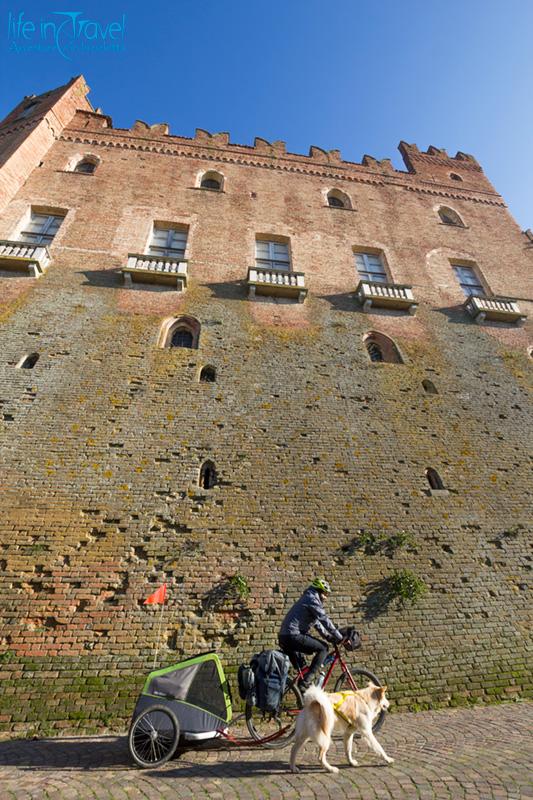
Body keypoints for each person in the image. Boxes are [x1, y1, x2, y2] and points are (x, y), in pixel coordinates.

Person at [278, 578, 343, 690]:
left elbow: (317, 623)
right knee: (323, 648)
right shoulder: (312, 599)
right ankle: (306, 681)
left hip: (285, 636)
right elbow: (324, 619)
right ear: (319, 591)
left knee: (303, 670)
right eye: (325, 594)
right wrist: (339, 637)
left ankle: (302, 696)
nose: (326, 598)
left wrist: (327, 636)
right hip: (293, 635)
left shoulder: (308, 598)